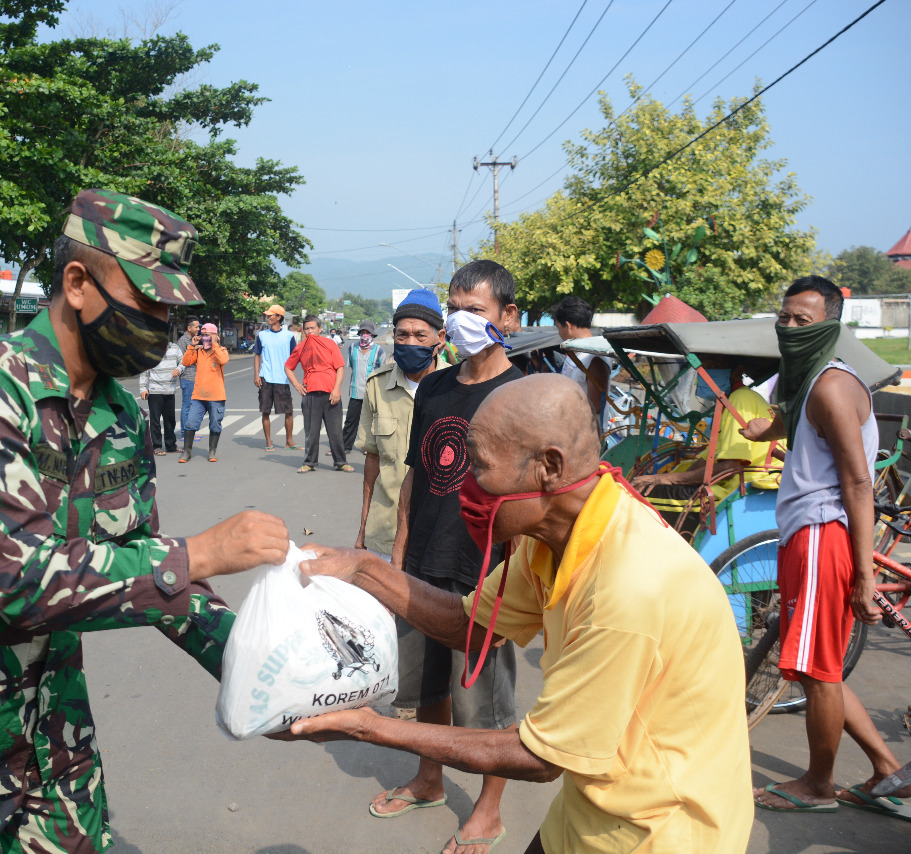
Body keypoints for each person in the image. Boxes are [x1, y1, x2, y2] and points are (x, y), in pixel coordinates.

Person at [0, 190, 290, 853]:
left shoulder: (121, 414)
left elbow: (140, 563)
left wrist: (264, 672)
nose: (162, 321)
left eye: (171, 307)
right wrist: (199, 553)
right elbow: (16, 579)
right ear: (78, 283)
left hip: (53, 732)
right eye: (148, 299)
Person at [289, 373, 755, 854]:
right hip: (592, 811)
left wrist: (368, 725)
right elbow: (466, 624)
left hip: (659, 832)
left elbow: (539, 757)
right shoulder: (552, 538)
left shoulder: (629, 588)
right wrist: (365, 568)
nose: (464, 485)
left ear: (548, 467)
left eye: (480, 467)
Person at [746, 276, 911, 817]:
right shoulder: (807, 382)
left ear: (830, 326)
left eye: (804, 320)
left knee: (821, 672)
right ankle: (888, 769)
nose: (789, 328)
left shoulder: (831, 386)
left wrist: (864, 574)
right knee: (820, 665)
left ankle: (818, 786)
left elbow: (859, 483)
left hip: (825, 536)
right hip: (805, 534)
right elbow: (799, 422)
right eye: (785, 317)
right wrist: (766, 427)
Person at [382, 264, 524, 854]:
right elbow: (419, 473)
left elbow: (531, 498)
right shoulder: (436, 387)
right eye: (456, 309)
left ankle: (489, 810)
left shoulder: (521, 396)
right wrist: (397, 552)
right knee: (427, 688)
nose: (464, 321)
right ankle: (429, 779)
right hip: (422, 561)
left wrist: (518, 577)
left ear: (508, 318)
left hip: (487, 571)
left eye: (478, 311)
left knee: (484, 705)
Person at [633, 361, 784, 536]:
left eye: (713, 367)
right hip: (738, 485)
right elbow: (709, 458)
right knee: (651, 486)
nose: (704, 375)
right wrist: (666, 477)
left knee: (639, 495)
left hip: (734, 491)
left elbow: (730, 465)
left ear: (737, 373)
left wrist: (670, 479)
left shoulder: (739, 399)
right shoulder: (739, 398)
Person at [353, 291, 447, 562]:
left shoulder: (456, 386)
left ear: (439, 339)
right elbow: (372, 462)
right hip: (384, 532)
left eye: (420, 336)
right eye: (402, 335)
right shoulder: (377, 385)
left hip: (435, 538)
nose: (410, 342)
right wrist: (362, 530)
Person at [285, 315, 350, 474]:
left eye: (312, 328)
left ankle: (341, 462)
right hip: (311, 395)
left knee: (335, 433)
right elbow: (288, 367)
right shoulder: (300, 347)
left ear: (320, 329)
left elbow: (340, 368)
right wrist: (297, 385)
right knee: (311, 433)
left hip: (331, 394)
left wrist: (336, 390)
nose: (310, 331)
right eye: (307, 329)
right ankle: (309, 462)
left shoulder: (330, 344)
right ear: (303, 330)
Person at [552, 296, 610, 428]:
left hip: (586, 439)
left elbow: (596, 406)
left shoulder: (595, 357)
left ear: (567, 325)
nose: (559, 333)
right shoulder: (574, 350)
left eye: (558, 327)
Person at [180, 321, 229, 462]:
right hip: (198, 397)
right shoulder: (198, 351)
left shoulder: (221, 350)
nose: (204, 338)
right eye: (203, 335)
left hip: (216, 396)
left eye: (207, 335)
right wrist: (192, 346)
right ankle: (187, 453)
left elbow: (223, 360)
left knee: (215, 424)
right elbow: (185, 362)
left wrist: (215, 344)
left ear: (215, 336)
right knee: (190, 423)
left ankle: (212, 452)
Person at [253, 303, 298, 451]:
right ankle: (269, 442)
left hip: (283, 378)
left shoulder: (289, 336)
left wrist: (291, 373)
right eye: (267, 315)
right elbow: (257, 355)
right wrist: (257, 374)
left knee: (288, 411)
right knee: (265, 411)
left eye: (271, 315)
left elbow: (294, 356)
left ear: (279, 317)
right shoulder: (262, 335)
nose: (268, 317)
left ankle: (289, 441)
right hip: (266, 378)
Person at [341, 319, 385, 453]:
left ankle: (368, 446)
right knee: (350, 421)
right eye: (363, 332)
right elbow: (352, 366)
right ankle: (345, 445)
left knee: (371, 421)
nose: (365, 335)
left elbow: (382, 370)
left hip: (372, 391)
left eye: (367, 333)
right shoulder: (352, 348)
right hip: (355, 390)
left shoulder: (379, 350)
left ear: (372, 335)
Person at [139, 339, 182, 455]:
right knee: (155, 420)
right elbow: (145, 369)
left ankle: (171, 445)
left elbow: (183, 361)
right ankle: (157, 446)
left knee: (170, 419)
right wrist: (143, 388)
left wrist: (179, 369)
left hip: (170, 390)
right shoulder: (151, 349)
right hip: (155, 390)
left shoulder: (175, 348)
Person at [176, 316, 201, 430]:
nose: (198, 329)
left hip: (196, 377)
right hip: (187, 377)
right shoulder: (183, 341)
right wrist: (195, 348)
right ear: (189, 328)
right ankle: (184, 432)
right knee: (187, 406)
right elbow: (181, 360)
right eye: (196, 327)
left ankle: (190, 431)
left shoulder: (195, 339)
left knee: (194, 406)